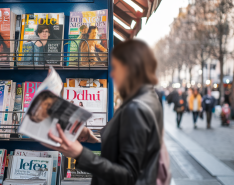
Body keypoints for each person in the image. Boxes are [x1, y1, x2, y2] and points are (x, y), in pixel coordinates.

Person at [42, 39, 165, 185]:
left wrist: (80, 154)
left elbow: (129, 176)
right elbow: (129, 152)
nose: (112, 74)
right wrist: (93, 139)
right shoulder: (147, 98)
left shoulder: (136, 109)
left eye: (116, 68)